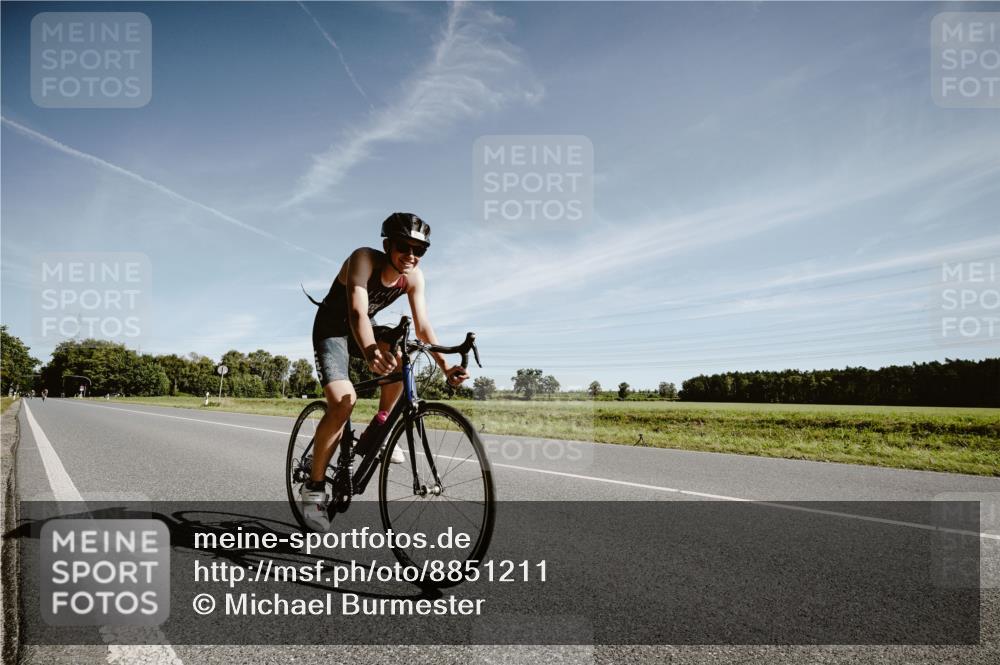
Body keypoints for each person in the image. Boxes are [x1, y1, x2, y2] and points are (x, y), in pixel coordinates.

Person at [302, 212, 469, 531]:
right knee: (343, 401)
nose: (411, 256)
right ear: (387, 244)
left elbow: (422, 327)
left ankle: (378, 427)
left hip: (365, 328)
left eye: (419, 250)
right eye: (404, 247)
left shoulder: (414, 277)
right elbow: (356, 311)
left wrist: (447, 365)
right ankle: (313, 490)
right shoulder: (363, 259)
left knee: (402, 346)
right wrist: (369, 350)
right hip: (333, 329)